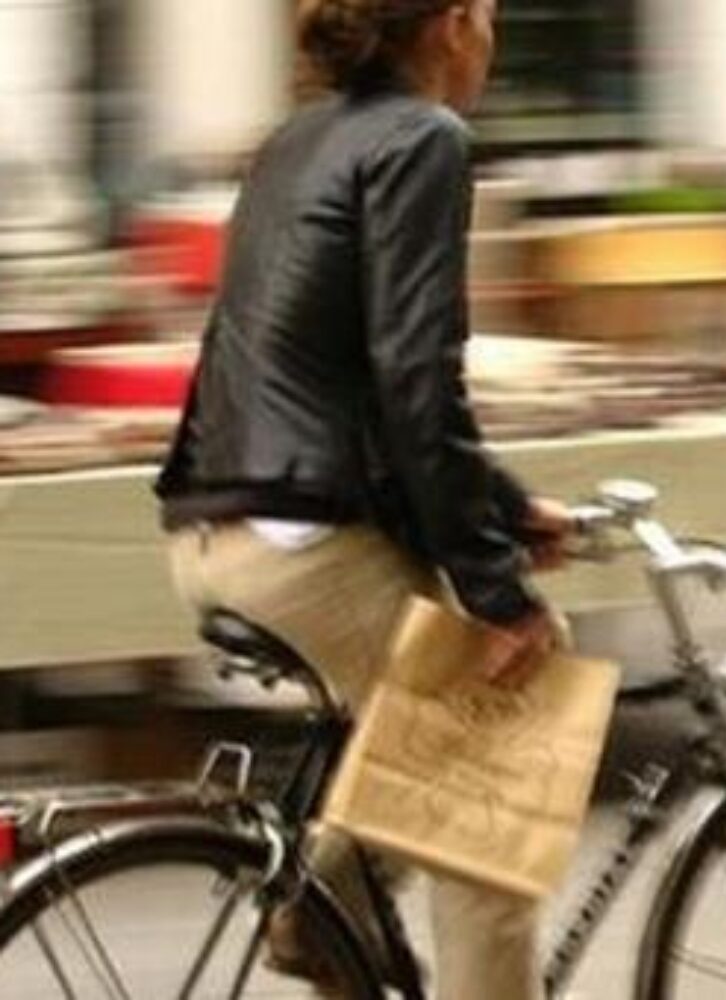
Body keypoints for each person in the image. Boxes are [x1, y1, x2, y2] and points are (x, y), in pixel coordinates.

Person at [155, 1, 566, 997]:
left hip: (216, 531)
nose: (493, 40)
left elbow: (348, 378)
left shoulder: (295, 140)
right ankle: (318, 907)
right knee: (496, 799)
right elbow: (415, 380)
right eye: (490, 16)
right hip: (302, 543)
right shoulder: (425, 138)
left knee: (438, 733)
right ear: (454, 26)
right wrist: (499, 590)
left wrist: (506, 511)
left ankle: (321, 905)